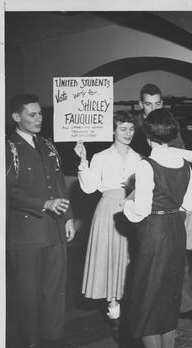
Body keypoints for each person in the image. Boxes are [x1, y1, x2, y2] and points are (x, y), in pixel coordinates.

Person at [123, 108, 192, 348]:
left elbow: (139, 210)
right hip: (176, 231)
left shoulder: (146, 166)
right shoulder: (184, 165)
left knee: (145, 301)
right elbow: (190, 204)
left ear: (148, 136)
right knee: (167, 300)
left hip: (154, 233)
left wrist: (125, 205)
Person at [6, 93, 75, 348]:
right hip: (25, 232)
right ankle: (31, 340)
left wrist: (68, 217)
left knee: (55, 287)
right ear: (16, 117)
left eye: (40, 114)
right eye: (31, 115)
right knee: (28, 290)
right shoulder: (7, 148)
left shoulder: (47, 145)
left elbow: (59, 184)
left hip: (54, 228)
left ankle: (53, 336)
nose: (38, 119)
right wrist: (44, 204)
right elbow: (7, 192)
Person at [132, 82, 192, 323]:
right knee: (146, 261)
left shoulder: (168, 126)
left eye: (156, 103)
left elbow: (183, 154)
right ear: (141, 105)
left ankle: (186, 305)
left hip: (169, 194)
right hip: (142, 194)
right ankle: (152, 309)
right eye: (148, 104)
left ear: (161, 104)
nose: (152, 108)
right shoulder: (133, 128)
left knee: (177, 256)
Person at [74, 111, 142, 326]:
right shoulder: (101, 157)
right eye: (123, 128)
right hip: (108, 213)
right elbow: (88, 187)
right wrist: (83, 159)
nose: (127, 133)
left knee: (130, 260)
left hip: (132, 210)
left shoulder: (139, 158)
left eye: (131, 129)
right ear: (113, 130)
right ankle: (114, 312)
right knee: (110, 259)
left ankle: (129, 310)